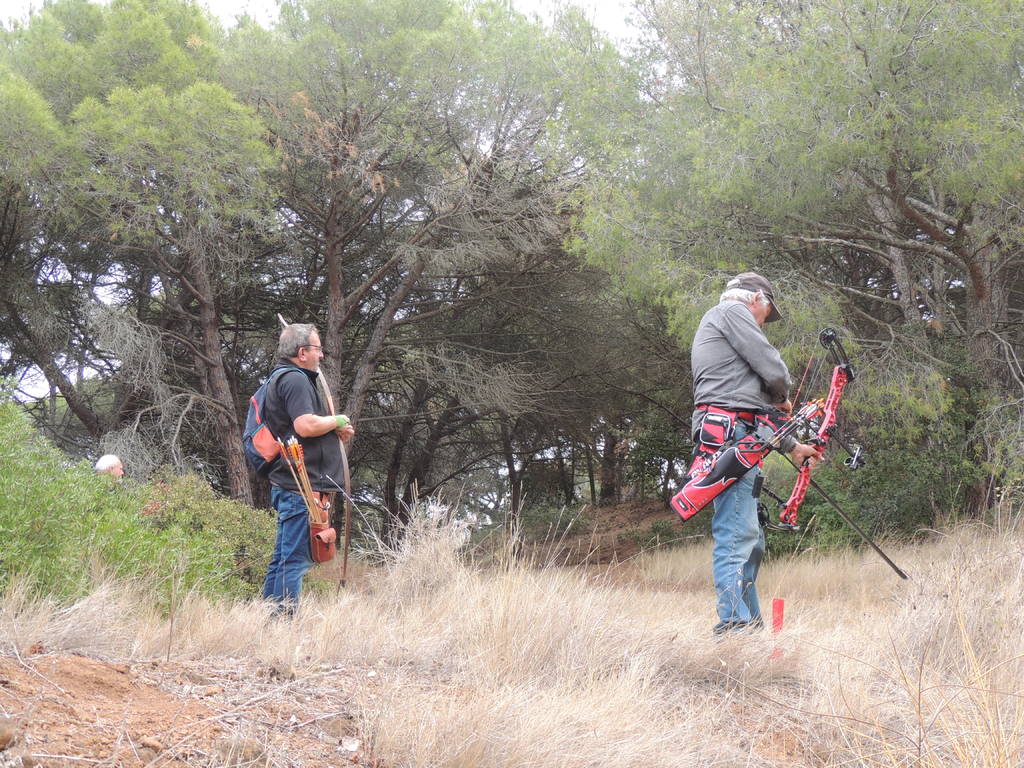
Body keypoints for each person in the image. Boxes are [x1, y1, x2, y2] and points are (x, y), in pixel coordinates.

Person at [690, 272, 819, 634]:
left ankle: (748, 626)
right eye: (766, 313)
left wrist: (793, 447)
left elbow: (750, 410)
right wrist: (782, 396)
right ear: (756, 298)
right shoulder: (731, 311)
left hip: (737, 434)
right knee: (736, 534)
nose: (763, 321)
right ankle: (734, 627)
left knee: (751, 538)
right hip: (729, 435)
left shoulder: (727, 327)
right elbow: (772, 369)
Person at [261, 323, 355, 614]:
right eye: (317, 349)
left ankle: (270, 622)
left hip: (296, 487)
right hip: (300, 489)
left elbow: (305, 426)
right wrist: (338, 420)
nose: (321, 355)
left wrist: (332, 429)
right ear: (302, 353)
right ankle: (284, 623)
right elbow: (304, 425)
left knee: (284, 560)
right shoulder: (295, 379)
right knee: (294, 561)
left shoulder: (285, 377)